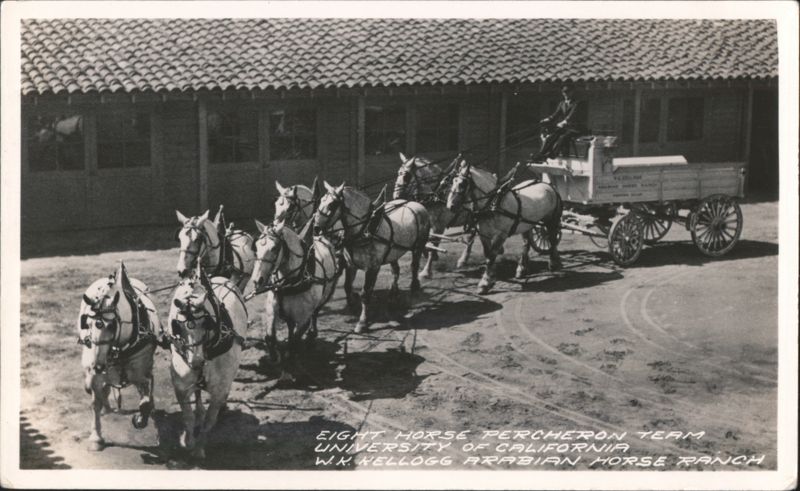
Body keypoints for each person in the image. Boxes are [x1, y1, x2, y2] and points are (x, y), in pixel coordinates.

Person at [532, 84, 586, 161]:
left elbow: (572, 115)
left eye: (567, 92)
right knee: (551, 136)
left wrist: (564, 121)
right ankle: (541, 154)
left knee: (562, 137)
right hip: (565, 128)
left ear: (572, 92)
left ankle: (553, 154)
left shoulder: (576, 103)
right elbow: (555, 115)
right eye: (564, 92)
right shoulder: (562, 103)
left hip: (575, 128)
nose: (565, 94)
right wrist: (547, 119)